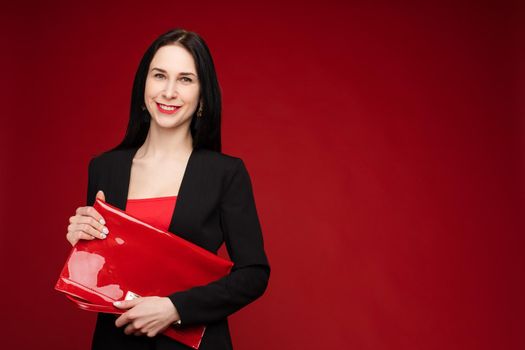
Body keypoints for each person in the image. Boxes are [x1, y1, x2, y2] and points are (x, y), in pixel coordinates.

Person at [65, 28, 271, 350]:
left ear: (202, 96)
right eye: (160, 75)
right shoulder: (104, 168)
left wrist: (176, 309)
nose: (169, 91)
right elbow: (102, 274)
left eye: (185, 79)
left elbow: (254, 274)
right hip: (115, 341)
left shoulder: (225, 173)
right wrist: (82, 243)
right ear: (144, 85)